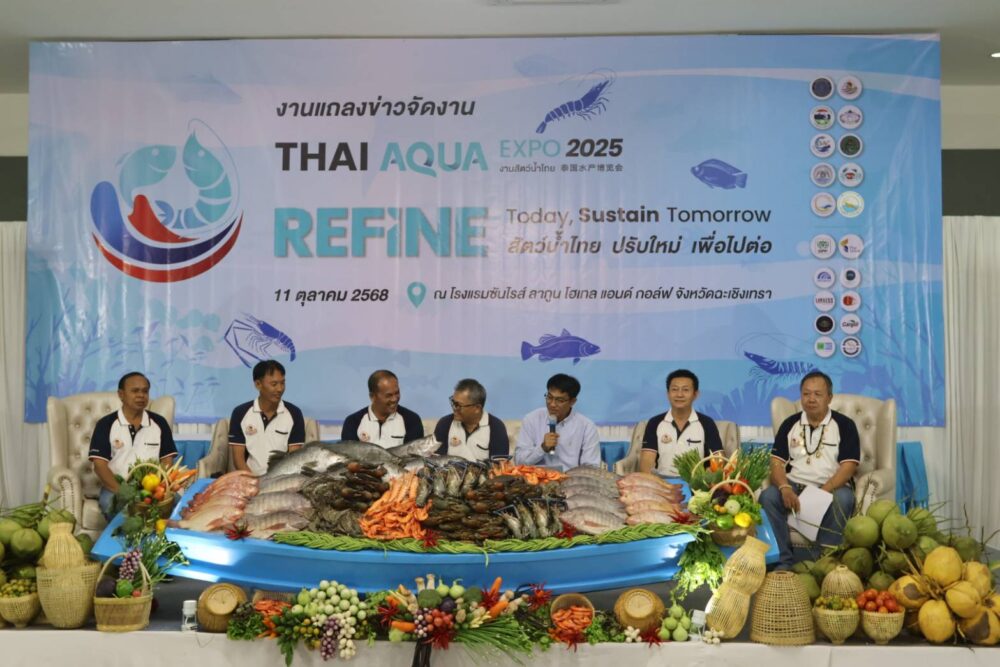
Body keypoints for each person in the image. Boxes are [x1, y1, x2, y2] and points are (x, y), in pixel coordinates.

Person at [760, 370, 860, 570]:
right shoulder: (790, 424)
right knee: (768, 496)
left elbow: (849, 467)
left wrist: (820, 494)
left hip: (829, 486)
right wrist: (784, 488)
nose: (811, 399)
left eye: (817, 394)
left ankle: (825, 561)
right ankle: (782, 562)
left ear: (829, 397)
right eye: (806, 394)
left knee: (844, 498)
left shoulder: (845, 425)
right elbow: (776, 462)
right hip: (794, 485)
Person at [88, 372, 177, 519]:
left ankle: (157, 534)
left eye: (145, 391)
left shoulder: (159, 423)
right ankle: (124, 535)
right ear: (121, 394)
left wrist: (159, 488)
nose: (141, 395)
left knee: (178, 503)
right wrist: (123, 492)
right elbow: (99, 465)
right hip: (116, 487)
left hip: (152, 487)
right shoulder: (106, 424)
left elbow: (167, 460)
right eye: (135, 391)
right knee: (108, 504)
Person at [639, 369, 724, 476]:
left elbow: (718, 460)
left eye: (685, 390)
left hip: (696, 483)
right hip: (661, 482)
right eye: (674, 389)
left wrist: (705, 480)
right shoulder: (654, 423)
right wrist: (654, 482)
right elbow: (646, 462)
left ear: (695, 394)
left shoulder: (707, 423)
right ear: (668, 394)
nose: (679, 394)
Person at [229, 359, 306, 476]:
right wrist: (254, 481)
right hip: (249, 478)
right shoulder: (240, 413)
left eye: (282, 383)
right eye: (274, 384)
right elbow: (238, 460)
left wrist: (274, 482)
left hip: (281, 479)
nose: (280, 389)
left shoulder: (295, 413)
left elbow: (293, 460)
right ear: (258, 384)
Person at [514, 373, 601, 471]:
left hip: (571, 479)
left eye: (559, 400)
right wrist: (542, 448)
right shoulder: (531, 419)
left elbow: (591, 468)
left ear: (572, 401)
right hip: (536, 478)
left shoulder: (586, 427)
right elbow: (518, 461)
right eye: (549, 397)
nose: (552, 404)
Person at [341, 370, 424, 447]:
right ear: (372, 396)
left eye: (397, 393)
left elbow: (413, 455)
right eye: (389, 395)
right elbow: (349, 456)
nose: (394, 399)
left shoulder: (412, 420)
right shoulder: (352, 422)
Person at [432, 378, 509, 462]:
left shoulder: (496, 428)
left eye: (458, 405)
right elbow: (436, 462)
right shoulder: (445, 424)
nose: (454, 408)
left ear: (477, 408)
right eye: (453, 403)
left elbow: (500, 466)